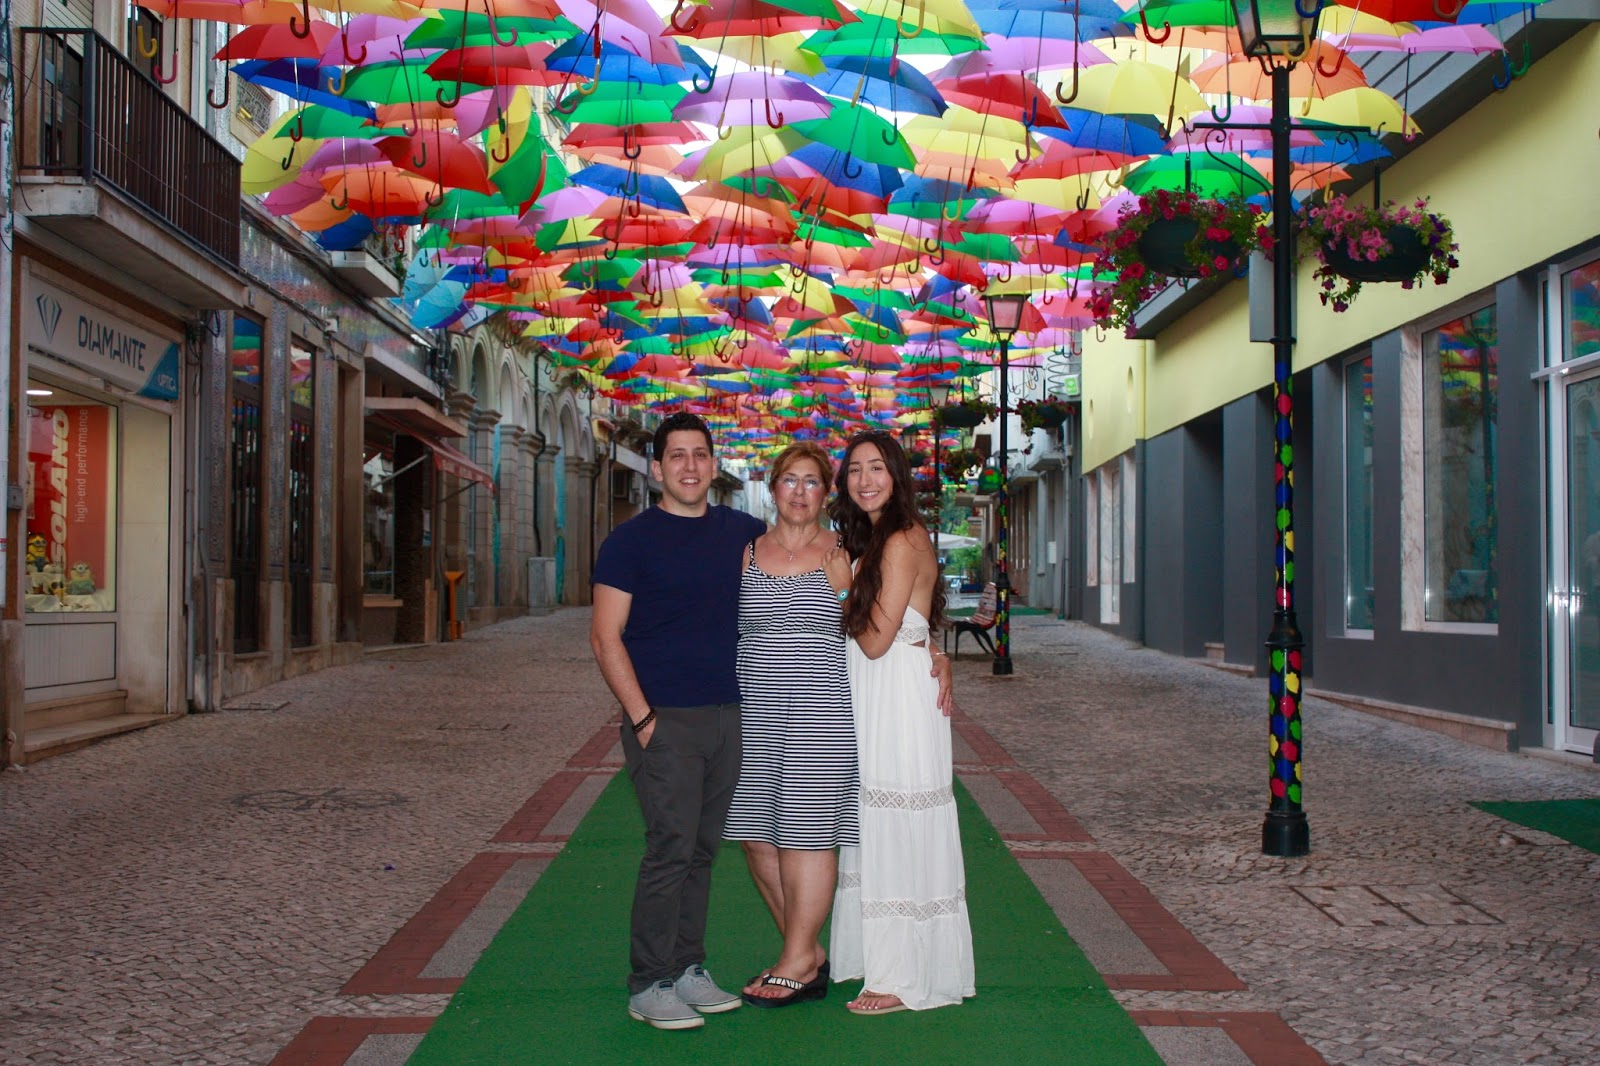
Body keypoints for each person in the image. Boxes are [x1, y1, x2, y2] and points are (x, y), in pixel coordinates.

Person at [726, 441, 955, 1009]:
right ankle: (806, 952)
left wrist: (929, 648)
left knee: (820, 835)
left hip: (828, 711)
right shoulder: (754, 551)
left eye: (813, 480)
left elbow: (881, 626)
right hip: (761, 713)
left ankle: (801, 960)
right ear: (772, 487)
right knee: (757, 837)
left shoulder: (850, 549)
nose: (800, 491)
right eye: (790, 479)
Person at [590, 412, 766, 1031]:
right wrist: (643, 719)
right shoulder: (629, 542)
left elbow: (815, 562)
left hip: (729, 716)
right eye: (677, 456)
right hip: (664, 719)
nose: (689, 466)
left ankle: (687, 968)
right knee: (669, 849)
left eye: (699, 454)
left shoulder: (745, 533)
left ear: (713, 465)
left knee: (701, 851)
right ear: (657, 467)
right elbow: (605, 636)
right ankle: (648, 982)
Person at [824, 430, 975, 1015]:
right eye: (855, 470)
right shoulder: (883, 536)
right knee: (879, 820)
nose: (864, 480)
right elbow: (911, 623)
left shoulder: (901, 539)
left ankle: (903, 975)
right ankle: (882, 957)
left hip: (896, 697)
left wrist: (843, 590)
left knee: (897, 820)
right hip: (882, 690)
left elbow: (876, 640)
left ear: (896, 476)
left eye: (876, 468)